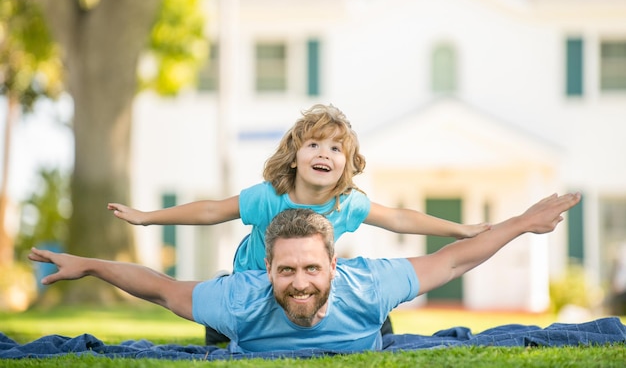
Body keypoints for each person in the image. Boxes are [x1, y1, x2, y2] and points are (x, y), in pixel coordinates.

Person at [107, 104, 490, 342]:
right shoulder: (268, 197)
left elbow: (399, 218)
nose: (324, 153)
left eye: (336, 149)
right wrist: (148, 218)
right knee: (234, 328)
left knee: (354, 295)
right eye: (314, 145)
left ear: (346, 163)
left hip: (308, 282)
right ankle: (220, 333)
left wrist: (460, 229)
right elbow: (211, 211)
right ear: (295, 157)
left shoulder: (347, 205)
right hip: (255, 280)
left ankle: (378, 332)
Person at [30, 192, 581, 353]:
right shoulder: (240, 299)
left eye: (312, 268)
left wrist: (521, 222)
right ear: (264, 268)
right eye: (287, 269)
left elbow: (455, 258)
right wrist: (91, 266)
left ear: (334, 265)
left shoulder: (368, 284)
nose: (300, 281)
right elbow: (161, 288)